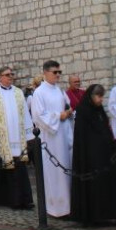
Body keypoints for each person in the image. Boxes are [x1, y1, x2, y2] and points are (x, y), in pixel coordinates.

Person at [70, 84, 116, 226]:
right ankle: (92, 216)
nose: (101, 100)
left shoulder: (99, 110)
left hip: (105, 154)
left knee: (112, 184)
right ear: (91, 97)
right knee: (94, 186)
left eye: (102, 96)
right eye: (98, 96)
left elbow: (104, 127)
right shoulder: (83, 111)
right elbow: (82, 136)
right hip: (91, 156)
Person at [0, 65, 34, 209]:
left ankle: (25, 199)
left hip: (18, 137)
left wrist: (30, 135)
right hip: (2, 138)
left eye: (11, 74)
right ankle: (12, 200)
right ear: (0, 77)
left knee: (21, 168)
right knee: (6, 169)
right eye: (7, 75)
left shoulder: (18, 93)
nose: (11, 77)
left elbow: (25, 114)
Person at [29, 61, 73, 217]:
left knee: (65, 171)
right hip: (50, 139)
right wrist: (58, 116)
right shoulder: (39, 92)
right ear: (45, 73)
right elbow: (38, 116)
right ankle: (55, 208)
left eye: (59, 72)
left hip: (63, 135)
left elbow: (68, 107)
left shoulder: (60, 91)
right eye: (55, 72)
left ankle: (68, 207)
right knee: (53, 174)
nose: (58, 75)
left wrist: (68, 113)